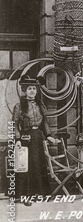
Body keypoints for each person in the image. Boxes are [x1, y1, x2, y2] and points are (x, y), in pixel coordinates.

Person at [12, 74, 55, 205]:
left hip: (38, 137)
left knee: (39, 165)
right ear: (25, 90)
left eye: (34, 89)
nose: (32, 91)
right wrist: (18, 139)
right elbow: (14, 124)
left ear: (37, 91)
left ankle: (40, 194)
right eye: (29, 88)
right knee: (26, 166)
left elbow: (45, 123)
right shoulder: (19, 106)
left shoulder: (40, 105)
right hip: (26, 138)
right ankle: (25, 196)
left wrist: (49, 136)